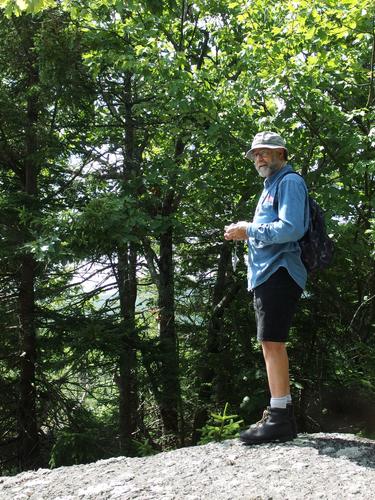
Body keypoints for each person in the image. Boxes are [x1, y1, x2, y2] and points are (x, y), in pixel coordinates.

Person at [224, 131, 309, 444]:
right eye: (255, 154)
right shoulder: (272, 186)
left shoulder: (289, 182)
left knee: (271, 342)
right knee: (270, 343)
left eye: (266, 152)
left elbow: (292, 228)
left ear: (281, 154)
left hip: (280, 270)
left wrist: (247, 229)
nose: (259, 157)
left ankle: (279, 418)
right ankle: (280, 410)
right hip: (268, 273)